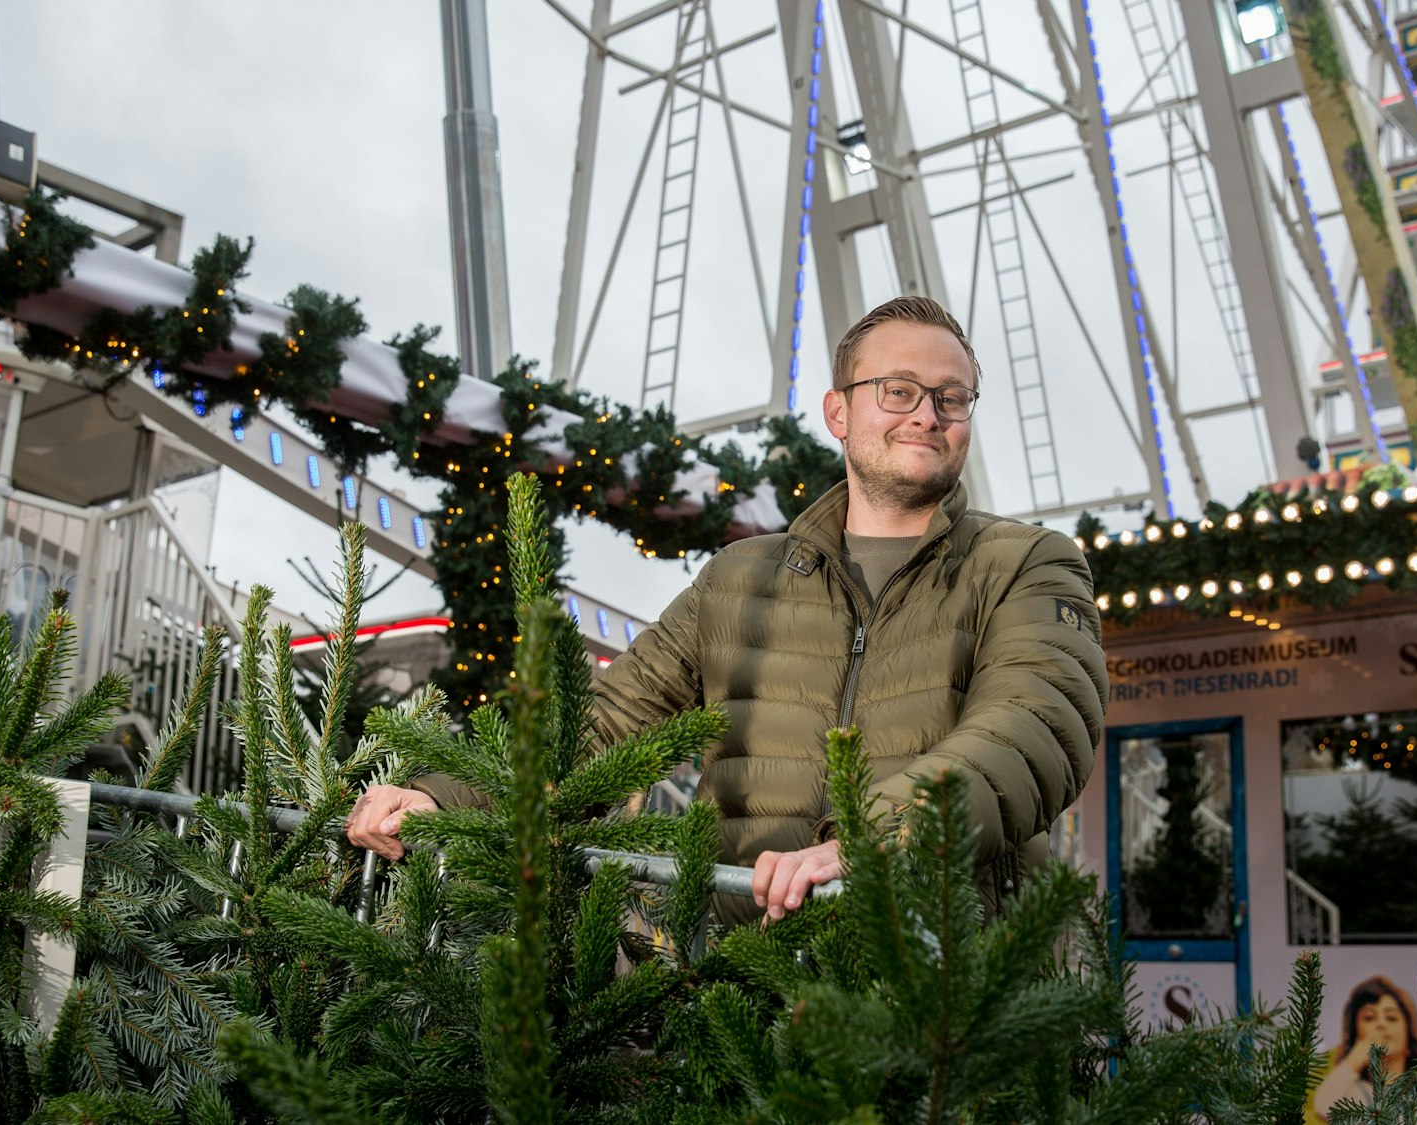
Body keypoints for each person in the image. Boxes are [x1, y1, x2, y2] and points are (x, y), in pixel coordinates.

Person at [345, 295, 1109, 922]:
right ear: (839, 412)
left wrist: (875, 840)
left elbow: (1034, 722)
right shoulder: (740, 579)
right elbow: (606, 721)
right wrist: (444, 794)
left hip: (944, 980)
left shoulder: (1025, 563)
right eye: (898, 390)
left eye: (952, 397)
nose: (928, 414)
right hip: (747, 978)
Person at [1306, 976, 1417, 1123]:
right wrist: (1355, 1058)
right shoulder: (1355, 1093)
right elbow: (1323, 1105)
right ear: (1356, 1036)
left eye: (1391, 1018)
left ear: (1409, 1038)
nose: (1381, 1024)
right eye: (1369, 1018)